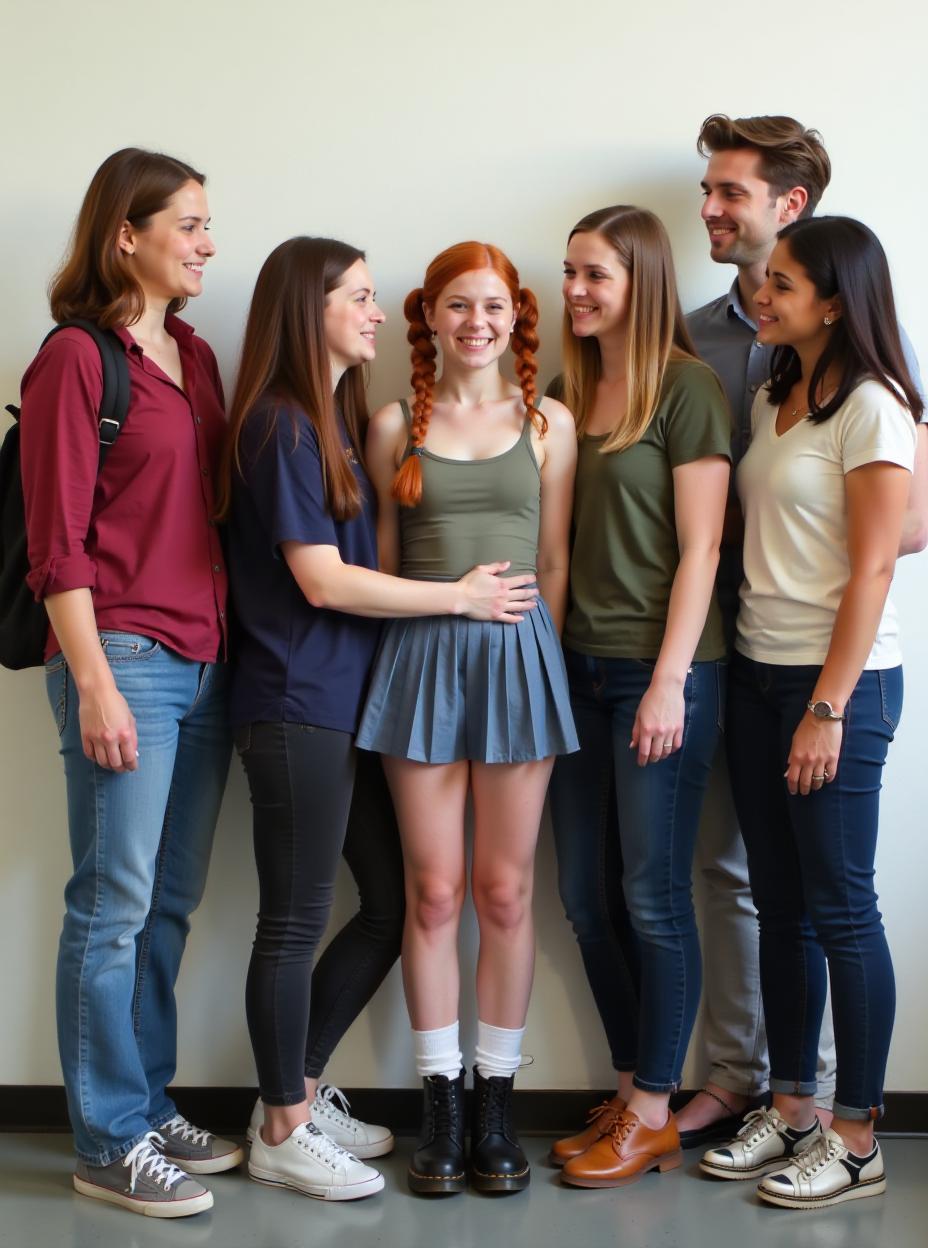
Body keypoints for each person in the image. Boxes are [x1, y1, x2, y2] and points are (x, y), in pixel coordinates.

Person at [220, 236, 540, 1202]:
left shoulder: (334, 417)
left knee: (394, 901)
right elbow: (326, 578)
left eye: (371, 297)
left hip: (350, 699)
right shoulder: (284, 425)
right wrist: (458, 600)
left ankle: (304, 1089)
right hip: (297, 700)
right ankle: (281, 1119)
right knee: (296, 917)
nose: (372, 309)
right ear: (305, 309)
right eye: (357, 296)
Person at [682, 113, 926, 1150]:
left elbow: (880, 556)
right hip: (753, 671)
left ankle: (856, 1135)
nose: (762, 296)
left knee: (840, 909)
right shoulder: (775, 392)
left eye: (782, 283)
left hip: (838, 687)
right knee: (777, 911)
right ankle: (787, 1111)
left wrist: (827, 706)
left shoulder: (872, 405)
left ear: (831, 299)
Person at [19, 148, 240, 1219]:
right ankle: (107, 1141)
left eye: (207, 225)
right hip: (127, 665)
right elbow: (53, 542)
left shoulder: (193, 357)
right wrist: (95, 680)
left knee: (167, 906)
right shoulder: (75, 358)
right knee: (110, 907)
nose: (206, 243)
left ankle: (146, 1105)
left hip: (204, 662)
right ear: (127, 236)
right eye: (189, 224)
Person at [355, 241, 578, 1194]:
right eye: (457, 305)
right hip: (420, 667)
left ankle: (497, 1102)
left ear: (516, 315)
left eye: (492, 305)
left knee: (506, 892)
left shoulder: (547, 423)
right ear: (430, 316)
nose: (475, 321)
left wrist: (544, 666)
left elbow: (556, 562)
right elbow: (381, 561)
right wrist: (449, 606)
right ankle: (439, 1101)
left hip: (521, 667)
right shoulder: (394, 421)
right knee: (433, 893)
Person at [541, 205, 731, 1189]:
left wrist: (667, 681)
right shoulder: (569, 391)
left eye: (594, 276)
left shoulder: (688, 390)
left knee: (652, 898)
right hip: (576, 671)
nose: (573, 289)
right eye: (569, 272)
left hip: (669, 675)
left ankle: (655, 1109)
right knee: (582, 897)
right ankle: (632, 1087)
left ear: (640, 283)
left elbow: (702, 547)